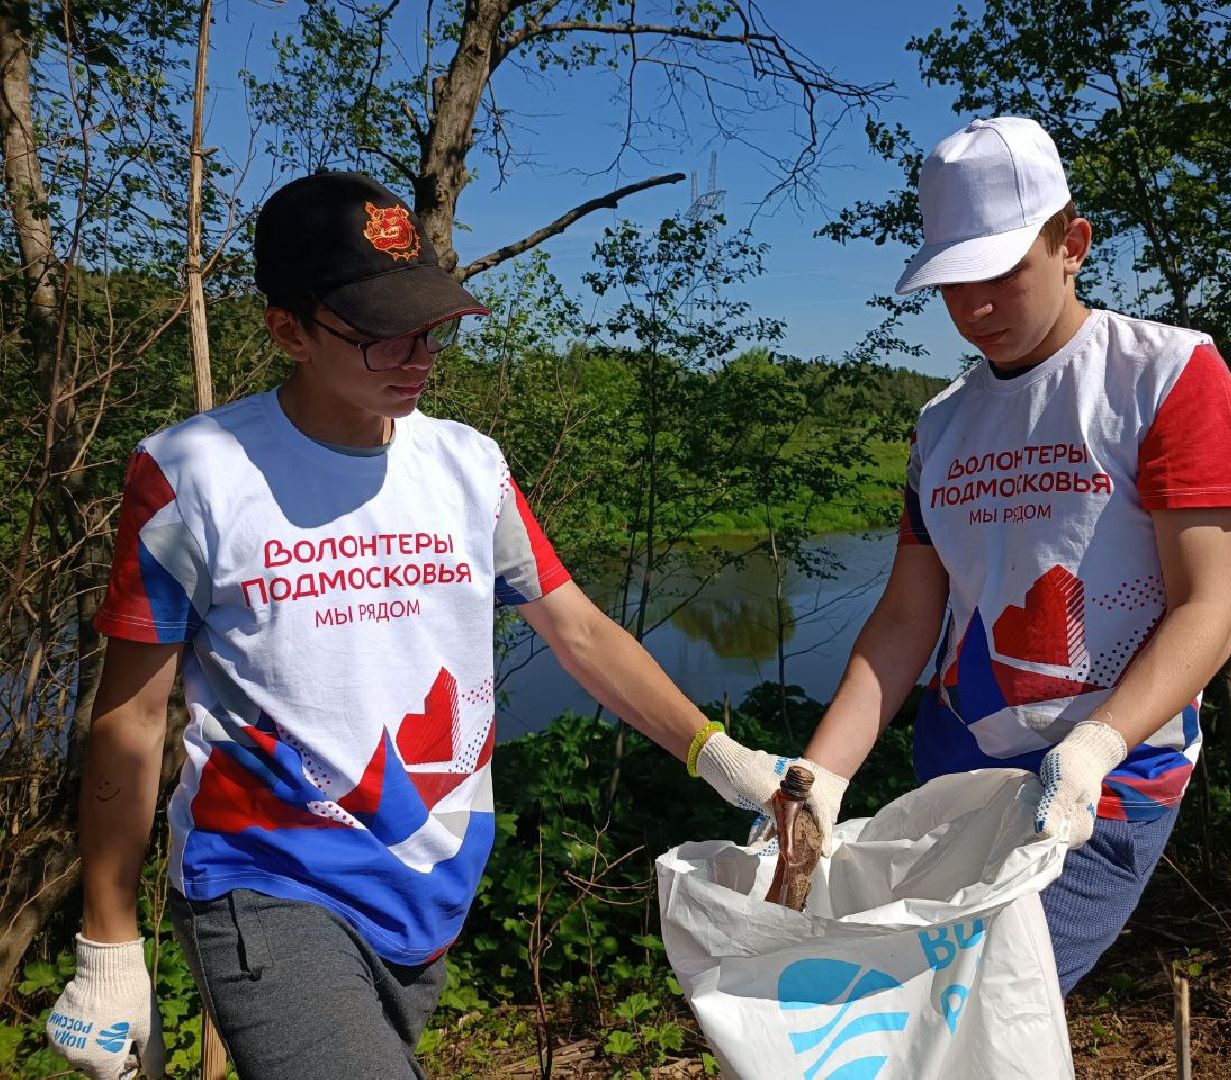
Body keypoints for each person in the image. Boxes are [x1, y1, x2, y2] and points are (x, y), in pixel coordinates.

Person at [45, 171, 843, 1079]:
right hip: (267, 881)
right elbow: (132, 719)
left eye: (428, 327)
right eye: (381, 335)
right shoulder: (193, 475)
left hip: (430, 886)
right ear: (288, 330)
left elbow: (579, 631)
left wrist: (720, 756)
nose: (417, 355)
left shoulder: (469, 468)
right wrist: (107, 943)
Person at [798, 117, 1231, 995]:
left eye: (1002, 273)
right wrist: (818, 776)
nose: (973, 309)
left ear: (1073, 245)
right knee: (915, 1011)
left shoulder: (1164, 376)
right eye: (952, 283)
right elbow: (907, 618)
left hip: (1110, 773)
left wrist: (1095, 746)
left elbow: (1210, 609)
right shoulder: (942, 424)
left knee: (982, 1001)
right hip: (959, 766)